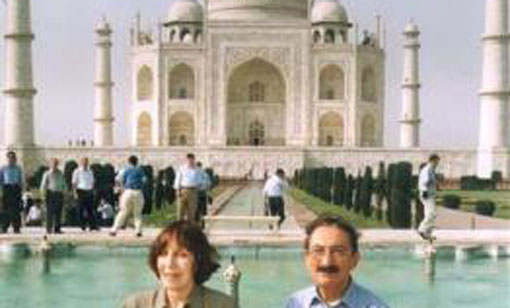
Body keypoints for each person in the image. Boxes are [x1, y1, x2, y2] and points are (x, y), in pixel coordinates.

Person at [121, 220, 235, 308]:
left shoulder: (222, 305)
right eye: (163, 254)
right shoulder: (136, 305)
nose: (169, 264)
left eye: (182, 255)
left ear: (198, 261)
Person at [285, 216, 389, 308]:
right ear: (306, 258)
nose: (327, 262)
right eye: (318, 251)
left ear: (354, 259)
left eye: (338, 251)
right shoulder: (296, 303)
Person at [110, 155, 146, 237]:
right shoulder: (140, 170)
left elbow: (118, 180)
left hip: (127, 191)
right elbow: (144, 180)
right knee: (137, 213)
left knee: (123, 212)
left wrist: (121, 189)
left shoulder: (125, 170)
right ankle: (138, 231)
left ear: (128, 162)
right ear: (137, 162)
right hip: (138, 192)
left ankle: (114, 230)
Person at [173, 153, 204, 223]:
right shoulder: (182, 168)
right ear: (186, 160)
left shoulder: (197, 170)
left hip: (193, 191)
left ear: (194, 159)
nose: (190, 161)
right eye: (189, 159)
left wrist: (200, 186)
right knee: (180, 210)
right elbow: (178, 179)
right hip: (183, 190)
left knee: (191, 211)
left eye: (192, 159)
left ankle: (190, 229)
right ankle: (179, 228)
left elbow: (200, 181)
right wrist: (177, 190)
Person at [40, 158, 67, 234]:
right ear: (50, 164)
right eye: (53, 163)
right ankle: (49, 229)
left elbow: (64, 183)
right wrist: (43, 195)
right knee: (50, 212)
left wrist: (64, 191)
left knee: (58, 212)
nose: (54, 165)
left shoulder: (60, 173)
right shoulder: (47, 174)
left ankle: (57, 229)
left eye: (56, 163)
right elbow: (43, 185)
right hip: (50, 194)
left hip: (59, 194)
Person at [417, 154, 441, 242]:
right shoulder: (427, 170)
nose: (438, 163)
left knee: (429, 214)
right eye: (437, 161)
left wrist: (436, 186)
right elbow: (424, 182)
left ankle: (427, 233)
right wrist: (424, 191)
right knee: (432, 213)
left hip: (430, 194)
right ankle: (422, 230)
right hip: (427, 195)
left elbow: (431, 181)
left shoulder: (430, 170)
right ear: (433, 160)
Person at [0, 151, 25, 233]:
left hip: (16, 189)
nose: (11, 159)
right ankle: (4, 227)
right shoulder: (3, 168)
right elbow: (1, 180)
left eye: (12, 158)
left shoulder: (18, 168)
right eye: (9, 157)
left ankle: (16, 228)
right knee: (5, 209)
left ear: (15, 159)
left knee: (16, 209)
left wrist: (21, 190)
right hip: (7, 189)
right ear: (7, 158)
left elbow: (20, 180)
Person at [72, 157, 99, 231]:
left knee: (90, 209)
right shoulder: (77, 171)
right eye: (84, 162)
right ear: (81, 162)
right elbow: (74, 183)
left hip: (89, 191)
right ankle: (82, 225)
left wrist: (93, 190)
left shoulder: (90, 171)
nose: (85, 163)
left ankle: (92, 226)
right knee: (80, 210)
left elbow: (92, 182)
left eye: (86, 162)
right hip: (80, 191)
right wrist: (75, 193)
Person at [195, 161, 211, 226]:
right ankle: (202, 221)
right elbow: (209, 184)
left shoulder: (195, 174)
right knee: (202, 209)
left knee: (196, 208)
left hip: (196, 194)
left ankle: (198, 221)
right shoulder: (205, 174)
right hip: (203, 194)